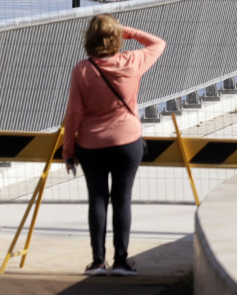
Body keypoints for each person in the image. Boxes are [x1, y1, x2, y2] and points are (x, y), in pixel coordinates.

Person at [62, 14, 165, 276]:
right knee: (122, 200)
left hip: (90, 143)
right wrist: (127, 31)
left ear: (90, 39)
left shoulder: (82, 70)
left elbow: (73, 114)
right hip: (127, 141)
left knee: (97, 199)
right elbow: (158, 43)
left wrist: (68, 150)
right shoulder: (132, 61)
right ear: (115, 37)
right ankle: (121, 261)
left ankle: (97, 261)